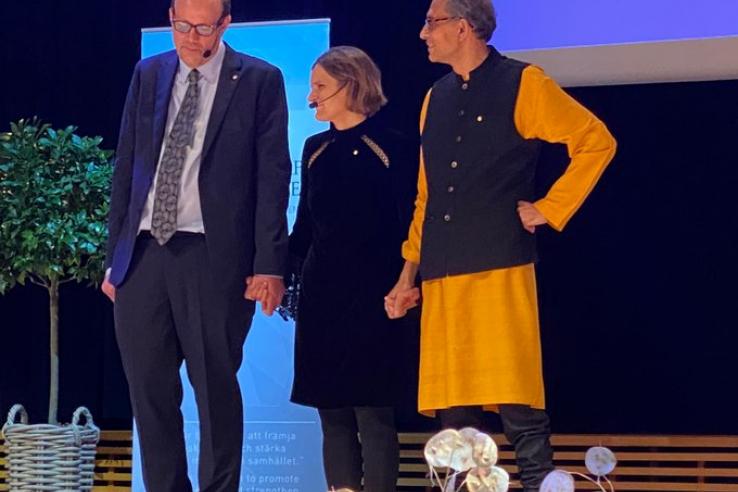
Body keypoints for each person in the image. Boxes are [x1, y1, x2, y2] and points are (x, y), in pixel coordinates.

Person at [384, 0, 617, 490]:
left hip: (498, 265)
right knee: (456, 418)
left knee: (517, 405)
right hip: (443, 271)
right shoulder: (435, 97)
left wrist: (550, 208)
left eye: (433, 22)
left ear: (464, 28)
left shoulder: (523, 83)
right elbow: (426, 195)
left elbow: (595, 140)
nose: (423, 33)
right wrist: (408, 275)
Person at [100, 0, 291, 489]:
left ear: (225, 24)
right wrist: (114, 260)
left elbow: (272, 177)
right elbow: (128, 166)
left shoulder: (258, 80)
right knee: (149, 391)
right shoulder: (149, 73)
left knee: (215, 389)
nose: (189, 37)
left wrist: (270, 263)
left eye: (202, 27)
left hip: (212, 256)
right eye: (180, 25)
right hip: (143, 254)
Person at [288, 46, 418, 492]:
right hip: (322, 294)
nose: (311, 98)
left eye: (321, 87)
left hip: (377, 295)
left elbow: (411, 222)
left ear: (353, 84)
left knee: (374, 413)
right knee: (332, 413)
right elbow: (304, 225)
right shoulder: (314, 148)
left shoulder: (396, 145)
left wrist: (407, 280)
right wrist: (274, 272)